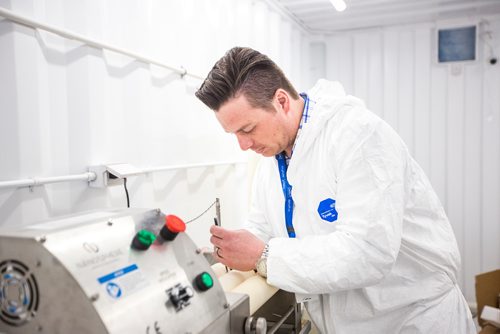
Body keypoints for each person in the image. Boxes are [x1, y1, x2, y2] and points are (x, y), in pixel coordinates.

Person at [195, 47, 475, 334]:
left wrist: (264, 256)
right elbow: (263, 226)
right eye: (235, 135)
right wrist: (226, 250)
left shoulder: (359, 136)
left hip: (412, 321)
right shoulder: (272, 161)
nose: (243, 145)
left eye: (248, 128)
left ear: (281, 102)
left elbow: (368, 252)